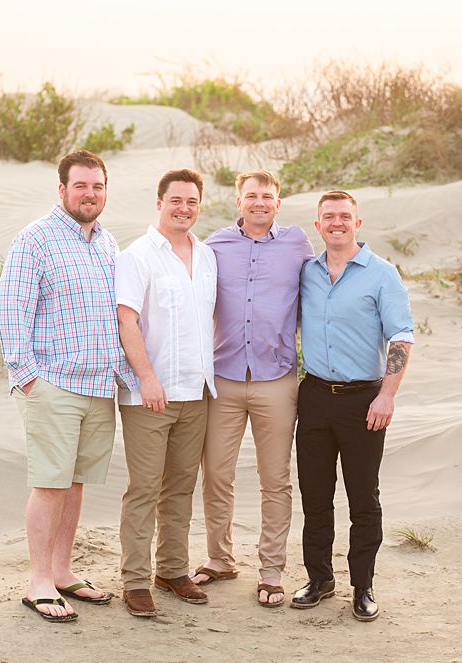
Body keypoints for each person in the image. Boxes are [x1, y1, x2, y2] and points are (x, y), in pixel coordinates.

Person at [0, 149, 133, 622]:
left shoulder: (109, 244)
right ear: (62, 190)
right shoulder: (36, 239)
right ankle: (38, 582)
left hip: (98, 386)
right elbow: (9, 310)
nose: (89, 194)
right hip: (52, 384)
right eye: (80, 186)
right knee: (50, 483)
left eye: (97, 186)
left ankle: (63, 571)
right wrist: (28, 377)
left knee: (75, 484)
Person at [292, 190, 416, 622]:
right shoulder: (306, 271)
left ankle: (362, 585)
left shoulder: (382, 274)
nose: (337, 223)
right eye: (329, 217)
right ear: (318, 225)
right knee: (315, 496)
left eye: (345, 216)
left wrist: (387, 393)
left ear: (357, 224)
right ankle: (319, 578)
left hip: (365, 400)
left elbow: (401, 336)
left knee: (364, 497)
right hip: (313, 396)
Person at [194, 169, 315, 608]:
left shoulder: (298, 244)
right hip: (223, 379)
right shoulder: (215, 246)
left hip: (277, 381)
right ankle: (219, 559)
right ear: (238, 201)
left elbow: (317, 297)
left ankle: (270, 572)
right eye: (251, 196)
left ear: (278, 203)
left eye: (267, 196)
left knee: (275, 481)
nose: (259, 202)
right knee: (216, 477)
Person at [114, 168, 219, 617]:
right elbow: (126, 319)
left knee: (180, 487)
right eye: (176, 200)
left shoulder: (208, 255)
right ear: (159, 203)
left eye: (192, 201)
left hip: (197, 391)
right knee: (144, 489)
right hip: (150, 396)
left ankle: (172, 570)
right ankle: (135, 581)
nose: (184, 208)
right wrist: (147, 377)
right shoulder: (137, 256)